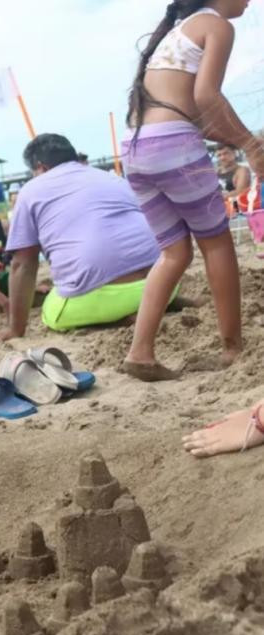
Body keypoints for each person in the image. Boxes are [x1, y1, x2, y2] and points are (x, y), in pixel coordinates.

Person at [119, 0, 263, 380]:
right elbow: (206, 97)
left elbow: (199, 118)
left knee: (173, 253)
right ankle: (233, 348)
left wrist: (244, 142)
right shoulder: (216, 25)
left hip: (135, 148)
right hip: (173, 144)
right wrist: (250, 144)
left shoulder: (174, 33)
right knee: (216, 243)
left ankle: (141, 351)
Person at [0, 134, 163, 341]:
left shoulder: (30, 191)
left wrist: (15, 330)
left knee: (52, 311)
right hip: (163, 283)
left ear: (40, 167)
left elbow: (23, 264)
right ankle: (160, 304)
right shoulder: (111, 177)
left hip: (112, 296)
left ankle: (122, 318)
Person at [215, 143, 252, 210]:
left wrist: (215, 197)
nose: (222, 157)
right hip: (220, 210)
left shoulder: (242, 170)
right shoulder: (216, 172)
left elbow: (241, 191)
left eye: (226, 153)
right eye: (219, 155)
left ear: (234, 154)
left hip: (237, 209)